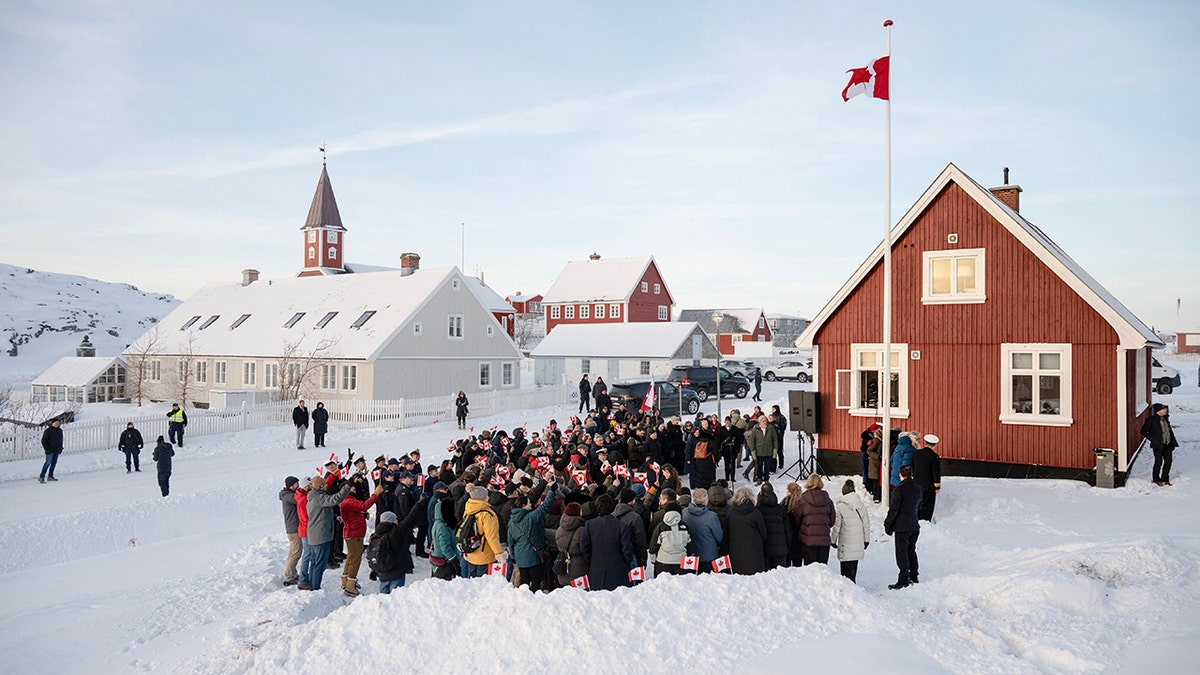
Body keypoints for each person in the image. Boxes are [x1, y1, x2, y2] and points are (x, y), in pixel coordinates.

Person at [370, 497, 431, 594]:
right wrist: (419, 503)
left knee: (384, 598)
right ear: (392, 521)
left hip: (382, 573)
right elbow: (410, 518)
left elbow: (373, 553)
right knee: (395, 597)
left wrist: (374, 570)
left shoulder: (374, 536)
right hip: (396, 572)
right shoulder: (396, 532)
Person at [303, 474, 353, 591]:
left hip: (317, 535)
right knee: (319, 564)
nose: (327, 486)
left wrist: (335, 516)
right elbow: (335, 499)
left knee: (316, 563)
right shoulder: (319, 498)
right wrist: (348, 486)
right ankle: (315, 588)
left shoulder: (314, 497)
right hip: (320, 536)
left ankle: (313, 584)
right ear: (320, 486)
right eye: (324, 484)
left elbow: (321, 512)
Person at [507, 481, 558, 592]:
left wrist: (513, 558)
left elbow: (510, 541)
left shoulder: (511, 521)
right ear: (523, 506)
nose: (531, 505)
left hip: (520, 557)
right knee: (536, 582)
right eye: (529, 503)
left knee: (524, 582)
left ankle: (524, 600)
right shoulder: (531, 517)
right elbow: (545, 507)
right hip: (534, 556)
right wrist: (551, 491)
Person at [338, 475, 382, 596]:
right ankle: (350, 586)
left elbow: (356, 511)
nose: (354, 489)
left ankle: (345, 581)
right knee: (355, 560)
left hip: (352, 533)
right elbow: (363, 505)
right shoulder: (348, 500)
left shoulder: (346, 500)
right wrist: (375, 494)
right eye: (351, 488)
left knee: (350, 558)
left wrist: (361, 515)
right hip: (354, 534)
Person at [579, 494, 634, 591]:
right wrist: (625, 562)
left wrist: (592, 561)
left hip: (597, 570)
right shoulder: (621, 526)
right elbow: (627, 549)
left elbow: (584, 547)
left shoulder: (590, 525)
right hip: (618, 570)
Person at [884, 465, 923, 589]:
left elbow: (894, 510)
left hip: (902, 527)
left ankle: (903, 579)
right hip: (914, 525)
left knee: (902, 553)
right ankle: (914, 576)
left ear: (900, 474)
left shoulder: (898, 490)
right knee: (911, 551)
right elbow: (920, 506)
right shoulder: (918, 488)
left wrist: (888, 525)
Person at [831, 479, 870, 583]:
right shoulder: (860, 504)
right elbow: (866, 522)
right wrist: (866, 540)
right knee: (853, 568)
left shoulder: (840, 506)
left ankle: (849, 590)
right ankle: (854, 588)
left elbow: (837, 526)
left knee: (845, 573)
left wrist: (833, 540)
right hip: (857, 543)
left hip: (845, 544)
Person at [462, 485, 506, 578]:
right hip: (485, 555)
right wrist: (499, 554)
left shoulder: (468, 509)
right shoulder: (487, 514)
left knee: (473, 582)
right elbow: (491, 537)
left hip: (471, 552)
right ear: (483, 497)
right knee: (483, 584)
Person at [726, 486, 767, 575]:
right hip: (754, 550)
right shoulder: (756, 513)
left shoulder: (730, 512)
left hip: (735, 550)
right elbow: (763, 533)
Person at [796, 474, 835, 565]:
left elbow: (797, 518)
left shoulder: (803, 499)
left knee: (810, 570)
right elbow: (832, 520)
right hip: (824, 540)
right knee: (823, 570)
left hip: (808, 540)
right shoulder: (827, 499)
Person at [1141, 403, 1179, 486]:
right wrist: (1153, 439)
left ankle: (1165, 479)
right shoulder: (1151, 420)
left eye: (1165, 409)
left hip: (1168, 443)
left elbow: (1168, 431)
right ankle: (1156, 479)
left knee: (1168, 461)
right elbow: (1143, 431)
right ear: (1158, 411)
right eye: (1163, 409)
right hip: (1158, 445)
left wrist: (1172, 441)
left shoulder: (1165, 418)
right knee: (1158, 462)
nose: (1165, 410)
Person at [648, 509, 692, 577]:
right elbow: (690, 546)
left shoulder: (660, 526)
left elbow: (653, 545)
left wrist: (653, 559)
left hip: (663, 561)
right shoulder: (684, 526)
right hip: (681, 561)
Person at [912, 433, 942, 520]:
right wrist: (937, 486)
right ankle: (925, 519)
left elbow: (912, 467)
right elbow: (936, 473)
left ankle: (916, 517)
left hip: (917, 482)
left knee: (917, 502)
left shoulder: (917, 453)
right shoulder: (934, 457)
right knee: (928, 504)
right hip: (929, 486)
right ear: (934, 445)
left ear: (925, 442)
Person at [279, 476, 302, 585]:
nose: (298, 486)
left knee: (293, 552)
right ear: (291, 486)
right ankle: (289, 575)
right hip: (294, 528)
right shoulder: (288, 496)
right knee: (296, 552)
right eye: (297, 484)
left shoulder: (287, 495)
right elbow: (299, 499)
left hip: (293, 528)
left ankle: (292, 572)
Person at [747, 416, 778, 484]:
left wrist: (775, 449)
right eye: (763, 420)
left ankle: (766, 478)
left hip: (768, 450)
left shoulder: (771, 428)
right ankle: (759, 478)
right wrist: (753, 450)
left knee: (767, 466)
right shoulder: (755, 429)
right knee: (759, 466)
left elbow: (775, 439)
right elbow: (752, 440)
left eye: (766, 420)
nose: (765, 422)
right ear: (760, 421)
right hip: (759, 451)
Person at [38, 419, 64, 484]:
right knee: (48, 463)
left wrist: (60, 448)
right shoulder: (48, 431)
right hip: (49, 450)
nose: (57, 424)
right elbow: (43, 441)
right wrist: (47, 449)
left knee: (54, 463)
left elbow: (60, 440)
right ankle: (42, 476)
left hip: (56, 450)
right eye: (55, 423)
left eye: (58, 423)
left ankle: (50, 476)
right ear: (52, 423)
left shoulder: (60, 431)